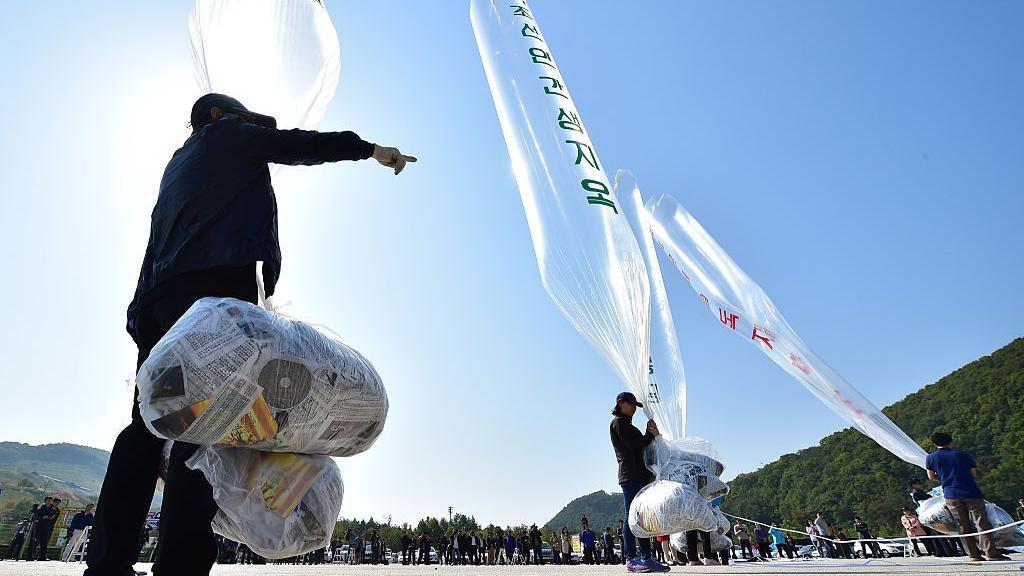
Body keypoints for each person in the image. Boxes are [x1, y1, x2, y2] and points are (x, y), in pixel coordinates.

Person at [85, 93, 415, 576]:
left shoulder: (177, 164)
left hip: (159, 302)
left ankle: (107, 564)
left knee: (147, 427)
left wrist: (144, 320)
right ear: (218, 115)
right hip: (211, 292)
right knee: (206, 426)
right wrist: (369, 149)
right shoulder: (225, 135)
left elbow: (157, 241)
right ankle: (179, 567)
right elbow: (297, 145)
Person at [925, 431, 1010, 561]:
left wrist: (945, 479)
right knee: (981, 522)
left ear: (935, 444)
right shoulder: (962, 455)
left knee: (962, 525)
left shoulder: (931, 458)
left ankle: (973, 555)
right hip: (970, 491)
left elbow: (931, 476)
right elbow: (973, 473)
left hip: (950, 494)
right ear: (950, 442)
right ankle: (991, 553)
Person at [610, 391, 668, 573]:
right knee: (631, 516)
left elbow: (639, 444)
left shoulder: (627, 424)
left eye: (636, 405)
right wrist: (649, 434)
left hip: (638, 475)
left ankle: (646, 557)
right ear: (621, 403)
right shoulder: (619, 423)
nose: (634, 408)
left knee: (641, 517)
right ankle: (631, 559)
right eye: (631, 404)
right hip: (630, 475)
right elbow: (634, 445)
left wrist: (648, 434)